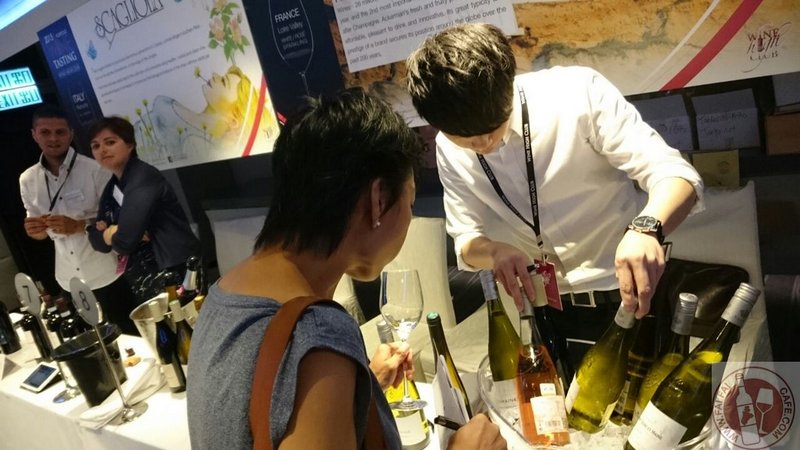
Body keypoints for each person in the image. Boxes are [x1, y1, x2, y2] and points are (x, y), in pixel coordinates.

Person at [186, 88, 505, 450]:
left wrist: (362, 386)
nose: (409, 215)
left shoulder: (223, 294)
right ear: (378, 200)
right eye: (410, 201)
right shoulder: (315, 335)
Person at [406, 23, 704, 347]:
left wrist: (647, 229)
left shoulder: (577, 93)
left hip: (627, 290)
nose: (483, 144)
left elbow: (676, 174)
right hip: (544, 306)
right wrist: (493, 251)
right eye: (465, 139)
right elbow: (466, 239)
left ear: (508, 86)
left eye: (492, 129)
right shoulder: (448, 148)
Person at [19, 105, 140, 335]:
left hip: (106, 272)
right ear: (34, 135)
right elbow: (40, 233)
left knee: (131, 337)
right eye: (45, 132)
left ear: (71, 134)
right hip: (67, 279)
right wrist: (35, 231)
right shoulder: (27, 179)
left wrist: (79, 226)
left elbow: (120, 220)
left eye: (60, 132)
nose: (53, 138)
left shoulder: (96, 170)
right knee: (89, 342)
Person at [86, 116, 200, 303]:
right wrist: (110, 233)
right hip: (146, 272)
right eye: (95, 146)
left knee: (187, 319)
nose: (102, 150)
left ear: (130, 145)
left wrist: (111, 232)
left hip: (175, 269)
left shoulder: (143, 177)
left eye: (110, 142)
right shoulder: (113, 185)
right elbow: (97, 242)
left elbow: (124, 242)